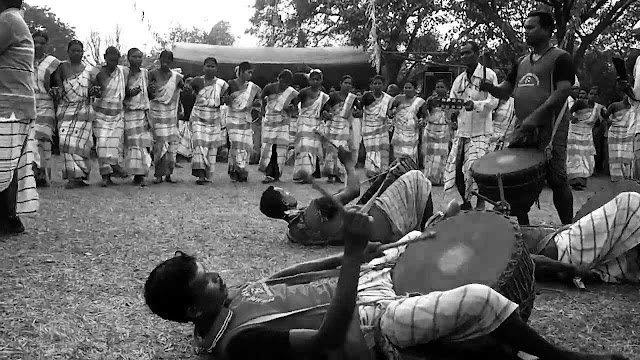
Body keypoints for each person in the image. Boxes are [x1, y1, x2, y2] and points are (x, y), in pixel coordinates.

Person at [144, 207, 628, 360]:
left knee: (420, 237)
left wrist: (363, 256)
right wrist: (354, 258)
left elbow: (290, 276)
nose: (216, 276)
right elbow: (329, 340)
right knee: (481, 299)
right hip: (368, 324)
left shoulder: (227, 305)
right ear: (192, 311)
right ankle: (568, 359)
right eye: (205, 280)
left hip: (360, 285)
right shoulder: (241, 344)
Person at [480, 10, 575, 225]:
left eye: (531, 27)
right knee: (516, 174)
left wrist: (534, 119)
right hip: (524, 127)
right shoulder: (521, 62)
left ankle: (569, 227)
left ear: (548, 29)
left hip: (551, 127)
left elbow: (562, 92)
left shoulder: (561, 58)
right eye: (525, 27)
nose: (526, 32)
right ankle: (523, 228)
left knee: (557, 178)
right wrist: (490, 88)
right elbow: (505, 91)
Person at [261, 148, 433, 246]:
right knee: (415, 176)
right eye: (285, 192)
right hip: (375, 224)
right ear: (284, 202)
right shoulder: (317, 208)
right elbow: (353, 190)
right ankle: (427, 230)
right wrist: (348, 163)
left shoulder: (294, 232)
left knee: (396, 167)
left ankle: (422, 229)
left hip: (357, 225)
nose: (289, 192)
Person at [529, 191, 640, 284]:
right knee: (631, 202)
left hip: (562, 246)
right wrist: (573, 269)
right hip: (562, 249)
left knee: (631, 201)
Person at [444, 40, 499, 211]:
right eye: (462, 53)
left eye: (468, 52)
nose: (464, 56)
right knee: (456, 170)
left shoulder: (488, 75)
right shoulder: (459, 80)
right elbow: (454, 102)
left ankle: (481, 204)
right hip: (462, 131)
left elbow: (494, 101)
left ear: (477, 54)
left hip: (480, 132)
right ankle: (466, 203)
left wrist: (475, 105)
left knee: (474, 169)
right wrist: (451, 113)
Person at [0, 0, 39, 234]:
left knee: (4, 163)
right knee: (10, 163)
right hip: (16, 104)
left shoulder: (7, 20)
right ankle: (9, 218)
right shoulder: (15, 19)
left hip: (8, 105)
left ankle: (8, 219)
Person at [52, 40, 94, 189]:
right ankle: (72, 175)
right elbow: (57, 85)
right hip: (66, 110)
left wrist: (95, 90)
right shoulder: (62, 67)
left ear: (83, 52)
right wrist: (57, 91)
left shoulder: (89, 71)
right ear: (68, 52)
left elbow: (94, 91)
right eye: (74, 50)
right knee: (65, 142)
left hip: (84, 111)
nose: (77, 53)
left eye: (79, 51)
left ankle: (80, 175)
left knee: (80, 144)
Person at [188, 57, 229, 185]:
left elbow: (224, 98)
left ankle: (208, 174)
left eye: (212, 66)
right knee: (199, 143)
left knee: (212, 147)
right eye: (208, 66)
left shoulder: (222, 84)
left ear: (216, 69)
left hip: (214, 116)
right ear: (203, 67)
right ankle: (200, 175)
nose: (210, 69)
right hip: (198, 116)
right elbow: (190, 93)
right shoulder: (196, 81)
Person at [92, 46, 129, 187]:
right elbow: (96, 92)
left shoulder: (123, 72)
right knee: (101, 144)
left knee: (114, 145)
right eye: (110, 60)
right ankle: (106, 175)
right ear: (105, 58)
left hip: (117, 115)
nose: (113, 63)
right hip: (101, 115)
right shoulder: (98, 73)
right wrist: (96, 91)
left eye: (116, 60)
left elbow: (127, 89)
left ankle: (112, 169)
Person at [31, 29, 61, 187]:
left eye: (42, 43)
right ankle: (35, 172)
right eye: (36, 42)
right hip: (29, 103)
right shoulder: (25, 59)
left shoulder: (52, 62)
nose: (38, 46)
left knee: (44, 140)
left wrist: (54, 90)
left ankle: (45, 173)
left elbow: (56, 85)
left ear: (46, 45)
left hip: (46, 104)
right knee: (32, 140)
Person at [149, 50, 184, 184]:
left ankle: (169, 174)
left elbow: (180, 92)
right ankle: (158, 174)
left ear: (171, 62)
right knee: (160, 142)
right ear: (159, 60)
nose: (165, 63)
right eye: (163, 60)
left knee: (172, 144)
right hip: (157, 113)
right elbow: (149, 92)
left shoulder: (177, 77)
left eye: (168, 61)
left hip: (171, 115)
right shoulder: (152, 74)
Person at [259, 69, 299, 184]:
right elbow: (262, 98)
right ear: (278, 78)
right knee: (269, 146)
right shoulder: (269, 88)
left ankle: (276, 173)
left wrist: (290, 109)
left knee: (280, 147)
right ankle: (268, 172)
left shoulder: (292, 92)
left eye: (287, 82)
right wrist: (262, 109)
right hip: (270, 120)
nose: (284, 83)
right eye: (282, 80)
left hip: (283, 121)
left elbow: (295, 107)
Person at [292, 69, 330, 183]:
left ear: (321, 81)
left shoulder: (324, 96)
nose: (315, 81)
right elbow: (294, 104)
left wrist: (327, 114)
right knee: (303, 147)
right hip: (303, 123)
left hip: (315, 124)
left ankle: (309, 174)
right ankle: (302, 173)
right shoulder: (303, 92)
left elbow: (326, 110)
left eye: (317, 79)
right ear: (309, 80)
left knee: (312, 150)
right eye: (313, 79)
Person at [226, 62, 261, 182]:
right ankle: (238, 170)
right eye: (248, 72)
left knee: (246, 145)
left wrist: (257, 105)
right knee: (236, 143)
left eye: (251, 73)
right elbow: (225, 99)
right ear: (240, 71)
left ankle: (239, 170)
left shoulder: (253, 87)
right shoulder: (230, 84)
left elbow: (258, 101)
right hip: (233, 117)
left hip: (246, 118)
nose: (250, 75)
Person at [123, 48, 152, 187]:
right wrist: (129, 93)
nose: (138, 59)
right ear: (128, 58)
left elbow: (150, 91)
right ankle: (136, 173)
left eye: (140, 57)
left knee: (143, 144)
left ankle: (141, 174)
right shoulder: (124, 73)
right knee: (133, 144)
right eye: (134, 57)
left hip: (143, 113)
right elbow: (120, 92)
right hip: (129, 112)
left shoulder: (145, 73)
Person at [324, 75, 359, 183]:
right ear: (340, 83)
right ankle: (330, 173)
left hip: (345, 125)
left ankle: (340, 173)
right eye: (345, 83)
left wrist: (357, 113)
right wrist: (327, 114)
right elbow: (325, 108)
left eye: (349, 83)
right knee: (331, 148)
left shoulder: (352, 98)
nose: (347, 85)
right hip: (333, 124)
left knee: (342, 147)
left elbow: (359, 111)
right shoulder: (333, 96)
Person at [566, 86, 602, 190]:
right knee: (575, 157)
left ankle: (581, 181)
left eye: (595, 94)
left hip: (587, 135)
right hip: (575, 133)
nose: (593, 96)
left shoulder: (598, 107)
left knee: (586, 157)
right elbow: (568, 112)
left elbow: (601, 120)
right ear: (588, 94)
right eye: (591, 93)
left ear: (598, 96)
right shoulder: (580, 103)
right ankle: (574, 181)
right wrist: (572, 118)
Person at [361, 75, 393, 178]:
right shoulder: (366, 97)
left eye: (379, 83)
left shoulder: (388, 99)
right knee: (371, 152)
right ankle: (371, 174)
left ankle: (382, 174)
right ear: (371, 85)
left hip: (382, 130)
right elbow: (359, 111)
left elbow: (389, 114)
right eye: (375, 83)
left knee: (383, 151)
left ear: (383, 85)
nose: (377, 86)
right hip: (369, 130)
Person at [423, 79, 453, 185]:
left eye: (441, 87)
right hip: (431, 129)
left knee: (442, 153)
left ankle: (440, 178)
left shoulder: (451, 101)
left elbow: (454, 114)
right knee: (430, 154)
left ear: (447, 89)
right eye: (437, 87)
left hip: (444, 129)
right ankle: (429, 177)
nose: (439, 89)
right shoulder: (431, 100)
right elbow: (424, 111)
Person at [388, 80, 426, 162]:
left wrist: (422, 121)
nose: (407, 90)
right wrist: (391, 113)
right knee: (398, 155)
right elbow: (390, 110)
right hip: (399, 131)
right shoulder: (398, 98)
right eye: (406, 87)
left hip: (412, 132)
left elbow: (425, 116)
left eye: (409, 88)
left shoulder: (420, 102)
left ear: (415, 89)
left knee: (410, 155)